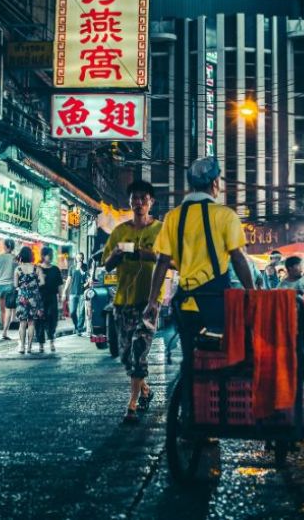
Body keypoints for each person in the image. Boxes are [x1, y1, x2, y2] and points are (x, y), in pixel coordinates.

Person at [144, 157, 254, 420]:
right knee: (220, 358)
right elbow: (238, 258)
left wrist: (152, 302)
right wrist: (251, 292)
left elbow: (161, 261)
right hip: (216, 302)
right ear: (216, 183)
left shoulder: (173, 217)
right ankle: (214, 411)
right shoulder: (224, 215)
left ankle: (191, 415)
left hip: (186, 303)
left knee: (190, 358)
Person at [102, 179, 163, 424]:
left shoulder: (160, 230)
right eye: (134, 199)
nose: (138, 203)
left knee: (139, 350)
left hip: (149, 302)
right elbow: (106, 264)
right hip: (122, 301)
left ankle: (132, 404)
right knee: (127, 356)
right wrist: (117, 254)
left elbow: (171, 259)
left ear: (151, 202)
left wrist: (142, 253)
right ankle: (146, 390)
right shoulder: (120, 231)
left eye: (143, 198)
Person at [14, 246, 45, 354]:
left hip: (22, 298)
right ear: (31, 256)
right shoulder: (37, 268)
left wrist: (23, 286)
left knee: (22, 323)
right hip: (34, 298)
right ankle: (29, 347)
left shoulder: (17, 269)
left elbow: (15, 285)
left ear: (21, 256)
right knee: (31, 323)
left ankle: (22, 346)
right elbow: (42, 282)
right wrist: (34, 285)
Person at [38, 247, 63, 352]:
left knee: (52, 320)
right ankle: (41, 344)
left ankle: (52, 341)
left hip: (52, 297)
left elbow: (59, 285)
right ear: (43, 256)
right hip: (40, 298)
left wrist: (61, 297)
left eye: (52, 254)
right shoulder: (38, 269)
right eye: (49, 254)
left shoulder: (55, 269)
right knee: (39, 321)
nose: (51, 257)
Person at [0, 238, 16, 340]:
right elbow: (16, 273)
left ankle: (3, 329)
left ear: (6, 246)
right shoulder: (15, 258)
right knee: (8, 309)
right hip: (9, 285)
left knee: (2, 310)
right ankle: (5, 331)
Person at [63, 252, 88, 335]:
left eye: (81, 258)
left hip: (82, 292)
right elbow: (68, 280)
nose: (79, 259)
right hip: (73, 292)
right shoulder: (72, 268)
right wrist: (64, 291)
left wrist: (80, 269)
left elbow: (87, 279)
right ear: (76, 259)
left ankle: (79, 329)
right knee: (72, 312)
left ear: (83, 259)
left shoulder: (85, 267)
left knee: (81, 312)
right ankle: (76, 326)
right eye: (78, 258)